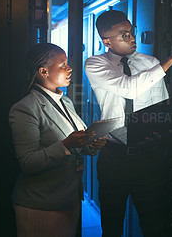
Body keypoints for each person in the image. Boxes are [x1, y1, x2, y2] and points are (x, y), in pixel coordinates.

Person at [84, 10, 172, 236]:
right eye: (124, 35)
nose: (132, 38)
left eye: (132, 31)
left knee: (154, 224)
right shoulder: (96, 64)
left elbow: (161, 108)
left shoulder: (151, 63)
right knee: (112, 224)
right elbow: (129, 88)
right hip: (114, 159)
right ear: (106, 41)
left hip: (149, 157)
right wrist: (171, 60)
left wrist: (162, 131)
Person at [9, 43, 106, 237]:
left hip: (68, 198)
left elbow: (73, 146)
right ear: (43, 71)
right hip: (42, 203)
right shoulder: (25, 108)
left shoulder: (65, 101)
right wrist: (66, 145)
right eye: (63, 64)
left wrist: (89, 146)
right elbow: (28, 163)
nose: (69, 68)